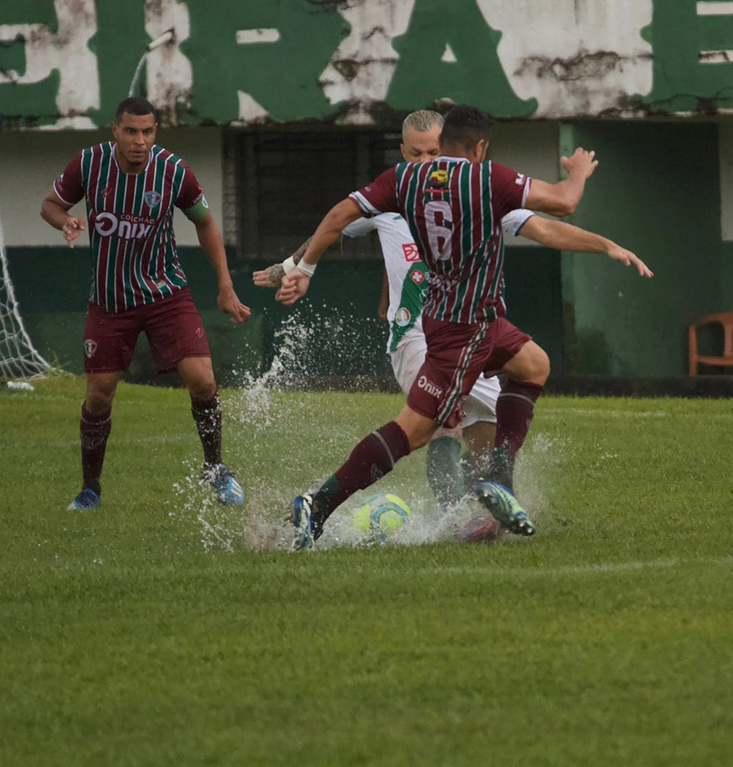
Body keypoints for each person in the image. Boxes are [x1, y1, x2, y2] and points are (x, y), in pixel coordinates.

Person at [276, 104, 652, 551]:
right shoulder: (486, 178)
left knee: (533, 364)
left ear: (445, 140)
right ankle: (317, 506)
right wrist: (579, 171)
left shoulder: (404, 180)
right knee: (413, 431)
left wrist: (306, 267)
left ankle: (498, 481)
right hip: (464, 327)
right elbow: (563, 205)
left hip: (469, 319)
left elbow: (340, 214)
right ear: (479, 146)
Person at [253, 110, 508, 539]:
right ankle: (458, 520)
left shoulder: (470, 191)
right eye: (417, 153)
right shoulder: (390, 198)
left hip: (469, 331)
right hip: (415, 337)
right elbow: (334, 226)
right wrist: (292, 266)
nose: (427, 161)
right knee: (441, 424)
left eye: (435, 152)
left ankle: (481, 508)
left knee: (488, 422)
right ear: (402, 152)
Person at [40, 96, 252, 511]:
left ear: (156, 132)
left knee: (204, 381)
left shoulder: (173, 171)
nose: (140, 141)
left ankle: (216, 471)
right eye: (132, 131)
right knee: (99, 395)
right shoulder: (88, 164)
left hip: (165, 295)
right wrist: (63, 220)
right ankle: (90, 490)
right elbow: (50, 205)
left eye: (148, 132)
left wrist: (225, 286)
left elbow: (205, 221)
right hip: (109, 301)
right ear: (115, 130)